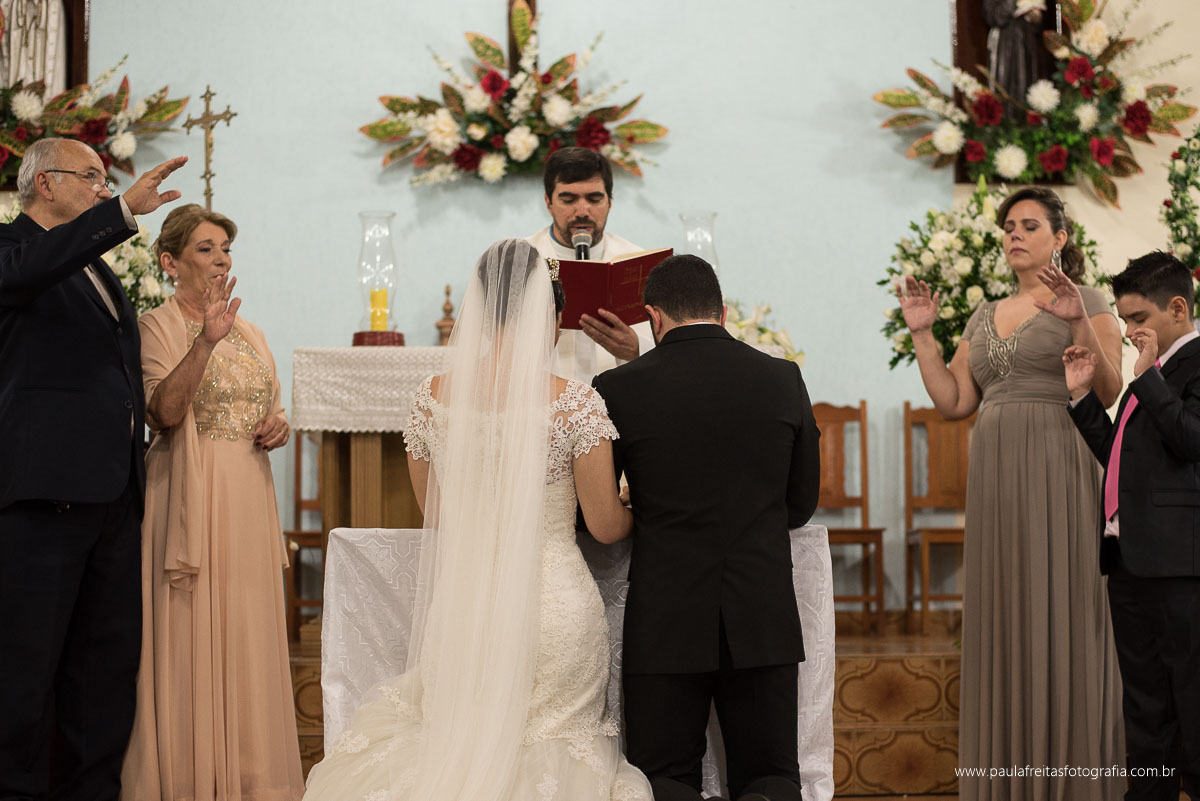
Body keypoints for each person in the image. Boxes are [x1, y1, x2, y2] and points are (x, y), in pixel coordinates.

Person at [303, 238, 651, 801]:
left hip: (465, 609)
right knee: (552, 752)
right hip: (552, 614)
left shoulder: (431, 399)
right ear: (552, 315)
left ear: (481, 311)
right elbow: (606, 527)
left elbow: (437, 515)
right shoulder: (576, 404)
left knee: (452, 745)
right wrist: (635, 507)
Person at [897, 186, 1125, 800]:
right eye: (1007, 227)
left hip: (1063, 461)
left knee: (1066, 603)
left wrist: (1076, 319)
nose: (1014, 234)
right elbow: (954, 402)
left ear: (1060, 238)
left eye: (1028, 225)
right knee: (1007, 608)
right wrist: (923, 335)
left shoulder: (1089, 300)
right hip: (996, 478)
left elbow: (1109, 391)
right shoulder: (983, 313)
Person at [592, 254, 821, 801]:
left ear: (653, 317)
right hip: (760, 613)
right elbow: (800, 504)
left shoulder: (618, 386)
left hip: (666, 617)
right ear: (722, 313)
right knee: (770, 776)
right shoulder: (782, 377)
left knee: (664, 777)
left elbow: (592, 508)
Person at [0, 138, 186, 801]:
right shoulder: (12, 250)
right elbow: (30, 270)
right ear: (45, 183)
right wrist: (122, 212)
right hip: (44, 498)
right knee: (23, 676)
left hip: (111, 496)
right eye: (92, 178)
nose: (104, 189)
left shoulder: (96, 270)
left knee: (104, 676)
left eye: (107, 182)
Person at [119, 204, 304, 800]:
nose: (221, 258)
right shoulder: (154, 327)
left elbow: (269, 409)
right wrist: (204, 341)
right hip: (188, 496)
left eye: (225, 248)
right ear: (170, 263)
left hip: (247, 496)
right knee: (187, 637)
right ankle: (186, 779)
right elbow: (164, 413)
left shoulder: (252, 332)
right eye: (205, 248)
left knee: (246, 636)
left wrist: (278, 425)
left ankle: (249, 779)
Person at [1065, 251, 1200, 801]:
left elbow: (1191, 440)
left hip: (1180, 563)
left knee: (1191, 697)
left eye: (1138, 318)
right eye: (1124, 320)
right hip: (1129, 560)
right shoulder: (1154, 373)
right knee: (1144, 702)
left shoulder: (1186, 366)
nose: (1128, 331)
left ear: (1177, 308)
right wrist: (1082, 398)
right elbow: (1122, 459)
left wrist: (1146, 378)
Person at [527, 146, 653, 383]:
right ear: (548, 202)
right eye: (568, 199)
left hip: (620, 394)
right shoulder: (524, 260)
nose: (582, 211)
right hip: (544, 394)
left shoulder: (636, 261)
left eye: (594, 199)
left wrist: (636, 349)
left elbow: (665, 349)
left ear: (610, 202)